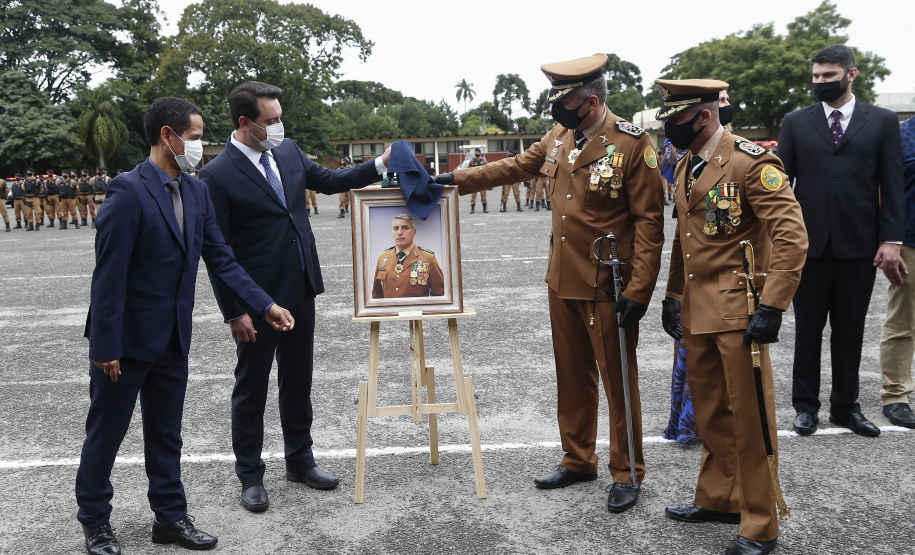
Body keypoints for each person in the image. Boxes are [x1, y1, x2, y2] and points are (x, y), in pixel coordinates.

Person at [435, 53, 664, 513]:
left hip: (607, 283)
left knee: (618, 380)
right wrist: (450, 180)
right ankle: (578, 458)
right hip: (562, 279)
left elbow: (650, 223)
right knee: (572, 375)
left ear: (592, 102)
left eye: (567, 102)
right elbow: (515, 167)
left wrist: (640, 289)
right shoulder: (559, 136)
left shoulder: (632, 144)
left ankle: (627, 471)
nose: (558, 110)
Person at [76, 96, 295, 555]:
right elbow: (109, 275)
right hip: (125, 341)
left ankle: (170, 517)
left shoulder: (196, 191)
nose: (199, 145)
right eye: (194, 137)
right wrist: (105, 346)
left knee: (166, 434)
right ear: (168, 136)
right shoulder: (127, 191)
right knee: (106, 433)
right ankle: (95, 521)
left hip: (173, 336)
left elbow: (222, 259)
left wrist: (265, 305)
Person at [198, 81, 391, 514]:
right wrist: (235, 311)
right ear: (245, 122)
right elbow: (217, 252)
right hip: (256, 300)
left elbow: (332, 181)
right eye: (270, 120)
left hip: (301, 287)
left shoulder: (286, 151)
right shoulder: (216, 174)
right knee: (251, 387)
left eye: (280, 117)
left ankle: (300, 460)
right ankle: (250, 474)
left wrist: (381, 163)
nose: (279, 126)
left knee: (298, 379)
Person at [656, 78, 807, 555]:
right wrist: (673, 294)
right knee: (711, 413)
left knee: (751, 418)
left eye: (676, 118)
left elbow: (791, 236)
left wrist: (773, 305)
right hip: (698, 310)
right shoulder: (686, 164)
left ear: (703, 116)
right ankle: (720, 498)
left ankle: (761, 524)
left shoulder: (751, 162)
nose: (669, 128)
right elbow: (685, 238)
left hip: (741, 310)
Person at [778, 44, 904, 437]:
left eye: (828, 75)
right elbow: (779, 187)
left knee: (850, 332)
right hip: (808, 245)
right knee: (808, 329)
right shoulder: (795, 122)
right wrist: (780, 239)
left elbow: (893, 184)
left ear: (851, 74)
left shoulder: (882, 121)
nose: (821, 82)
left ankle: (846, 407)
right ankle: (805, 406)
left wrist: (892, 239)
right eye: (816, 76)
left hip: (859, 245)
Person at [876, 115, 915, 428]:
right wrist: (888, 239)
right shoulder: (901, 135)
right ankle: (896, 395)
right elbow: (883, 189)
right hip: (910, 242)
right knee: (902, 321)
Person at [372, 213, 445, 298]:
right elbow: (376, 296)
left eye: (405, 228)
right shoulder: (383, 257)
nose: (399, 233)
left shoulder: (428, 258)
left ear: (414, 232)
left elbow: (440, 296)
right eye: (396, 228)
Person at [468, 148, 487, 213]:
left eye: (478, 152)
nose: (477, 153)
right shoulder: (472, 161)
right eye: (476, 152)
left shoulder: (483, 160)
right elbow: (468, 170)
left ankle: (485, 208)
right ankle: (472, 208)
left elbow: (487, 169)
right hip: (474, 180)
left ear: (480, 153)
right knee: (473, 195)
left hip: (482, 180)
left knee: (483, 194)